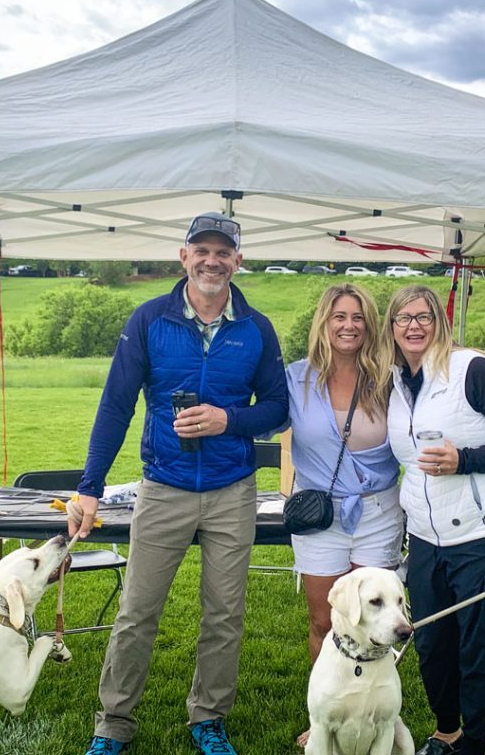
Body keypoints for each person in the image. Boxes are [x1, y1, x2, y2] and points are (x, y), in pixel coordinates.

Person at [69, 211, 288, 755]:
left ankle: (208, 718)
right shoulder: (148, 320)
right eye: (202, 250)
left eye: (224, 252)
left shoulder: (255, 328)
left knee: (224, 614)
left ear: (238, 261)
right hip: (162, 487)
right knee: (137, 612)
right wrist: (89, 486)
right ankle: (113, 724)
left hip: (231, 489)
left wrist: (227, 420)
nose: (212, 260)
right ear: (183, 256)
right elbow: (116, 405)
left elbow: (281, 408)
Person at [383, 284, 485, 755]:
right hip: (426, 535)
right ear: (391, 328)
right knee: (431, 640)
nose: (414, 325)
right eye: (404, 318)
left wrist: (463, 460)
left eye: (424, 316)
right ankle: (446, 729)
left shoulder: (471, 369)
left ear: (440, 323)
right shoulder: (393, 382)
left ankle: (474, 742)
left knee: (478, 644)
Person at [284, 283, 402, 748]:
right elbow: (258, 414)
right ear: (324, 323)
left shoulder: (390, 378)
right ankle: (325, 716)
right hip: (319, 515)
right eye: (339, 317)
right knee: (325, 621)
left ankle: (375, 713)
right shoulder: (295, 378)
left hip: (377, 511)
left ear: (369, 325)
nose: (348, 325)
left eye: (357, 317)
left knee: (378, 620)